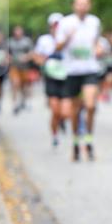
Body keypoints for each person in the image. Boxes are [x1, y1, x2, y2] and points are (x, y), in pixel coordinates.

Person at [56, 0, 103, 162]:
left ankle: (89, 139)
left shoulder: (95, 22)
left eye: (85, 3)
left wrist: (98, 49)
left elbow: (96, 42)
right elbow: (58, 46)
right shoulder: (65, 23)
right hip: (72, 71)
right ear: (73, 5)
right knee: (74, 111)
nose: (82, 7)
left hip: (90, 69)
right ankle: (76, 142)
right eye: (79, 4)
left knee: (90, 105)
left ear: (89, 5)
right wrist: (68, 38)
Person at [33, 13, 68, 147]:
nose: (56, 28)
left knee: (65, 112)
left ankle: (62, 121)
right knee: (55, 110)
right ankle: (55, 135)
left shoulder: (68, 39)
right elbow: (37, 56)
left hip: (66, 77)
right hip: (51, 77)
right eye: (54, 25)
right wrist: (44, 62)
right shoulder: (44, 40)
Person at [8, 25, 34, 114]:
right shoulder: (10, 42)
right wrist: (10, 58)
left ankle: (24, 101)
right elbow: (7, 53)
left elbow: (31, 53)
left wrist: (26, 57)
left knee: (24, 86)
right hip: (14, 66)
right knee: (15, 84)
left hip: (25, 67)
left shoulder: (27, 41)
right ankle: (14, 104)